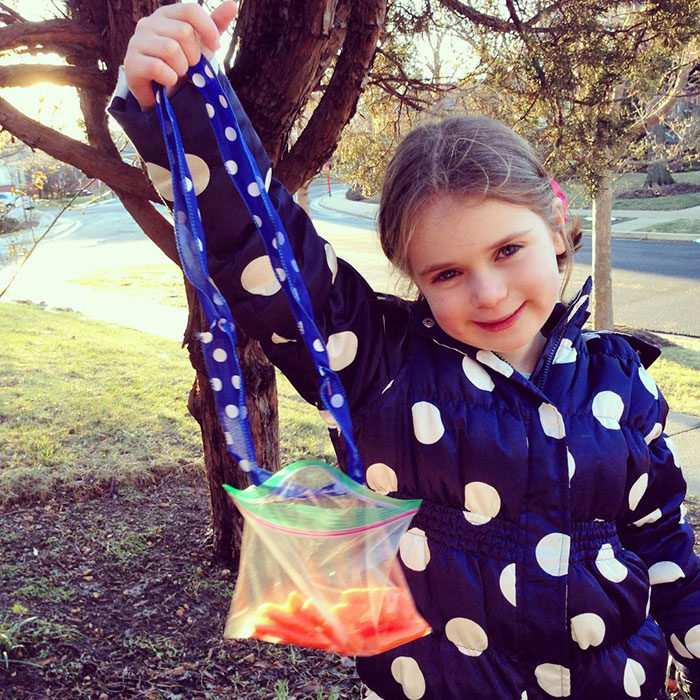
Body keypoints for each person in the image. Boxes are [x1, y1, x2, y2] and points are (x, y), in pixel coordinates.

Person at [111, 3, 700, 698]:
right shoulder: (380, 367)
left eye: (508, 250)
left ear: (558, 226)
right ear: (415, 279)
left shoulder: (622, 383)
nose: (488, 293)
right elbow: (269, 253)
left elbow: (663, 547)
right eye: (446, 274)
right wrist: (178, 109)